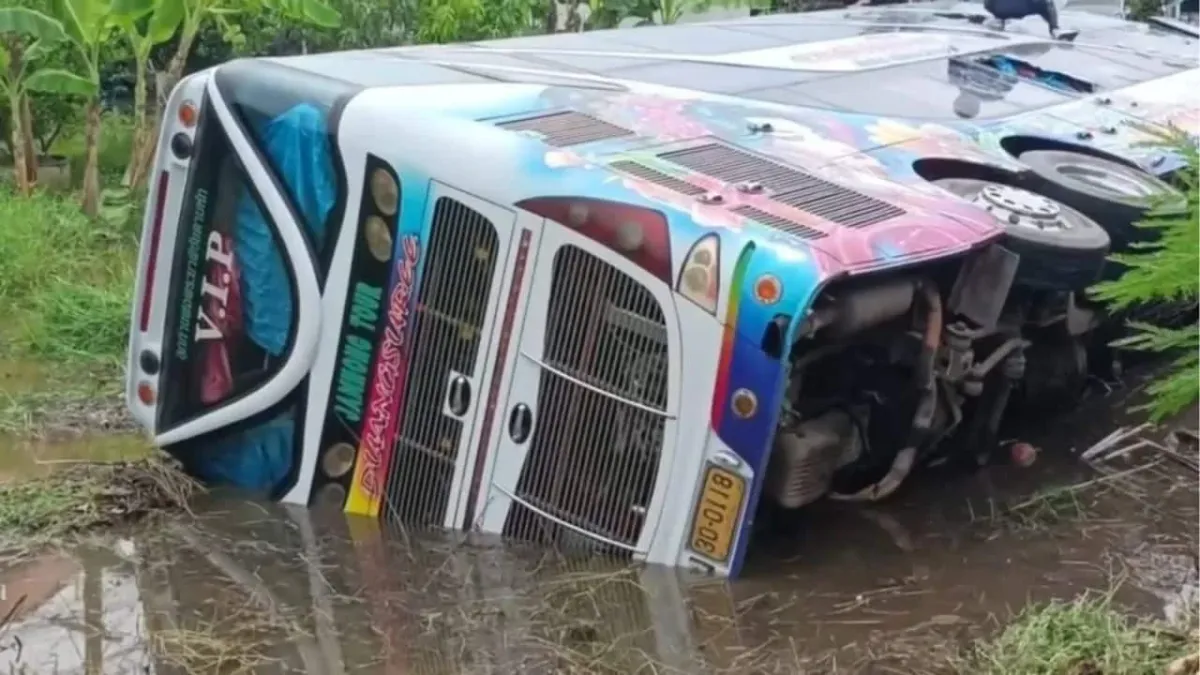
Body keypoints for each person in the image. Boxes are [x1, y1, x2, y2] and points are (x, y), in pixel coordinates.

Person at [984, 0, 1060, 36]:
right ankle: (1054, 29)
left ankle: (1000, 19)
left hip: (998, 8)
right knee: (1048, 4)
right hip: (1016, 7)